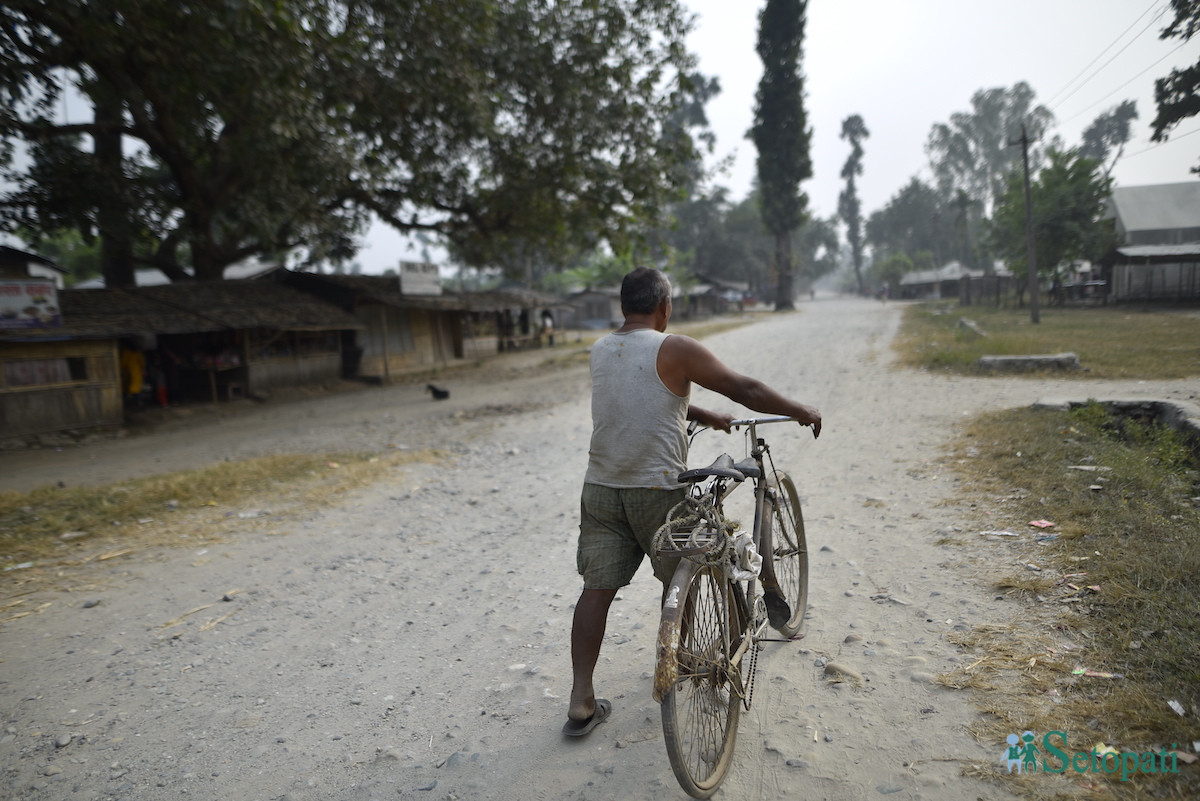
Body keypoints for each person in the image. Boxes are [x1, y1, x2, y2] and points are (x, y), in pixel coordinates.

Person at [563, 267, 821, 737]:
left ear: (623, 307)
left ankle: (581, 699)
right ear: (665, 307)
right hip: (658, 491)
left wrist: (702, 412)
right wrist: (798, 410)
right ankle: (681, 660)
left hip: (601, 489)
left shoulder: (602, 349)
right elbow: (746, 389)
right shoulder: (674, 347)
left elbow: (639, 396)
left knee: (595, 591)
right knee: (695, 566)